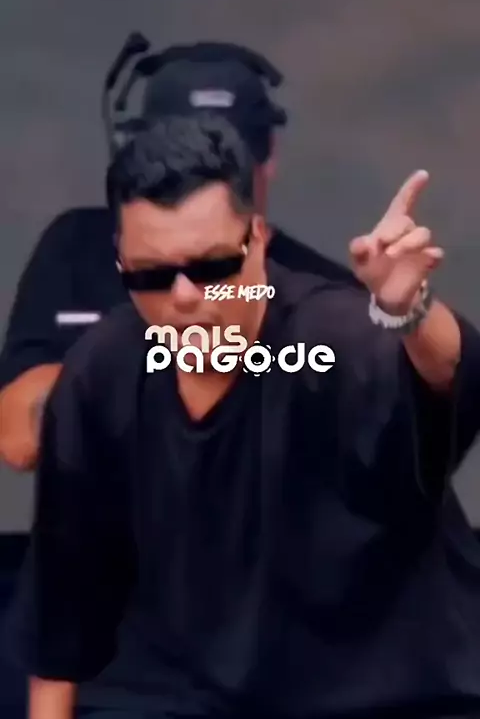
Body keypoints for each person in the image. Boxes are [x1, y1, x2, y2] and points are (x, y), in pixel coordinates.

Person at [10, 113, 480, 719]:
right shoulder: (101, 373)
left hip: (389, 697)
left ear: (257, 238)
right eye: (152, 274)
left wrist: (411, 310)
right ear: (120, 260)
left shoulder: (332, 338)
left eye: (212, 267)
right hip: (180, 697)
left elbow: (446, 375)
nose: (184, 297)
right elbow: (63, 616)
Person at [0, 36, 356, 472]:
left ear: (268, 159)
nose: (205, 181)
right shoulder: (74, 247)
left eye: (230, 160)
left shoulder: (333, 297)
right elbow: (19, 438)